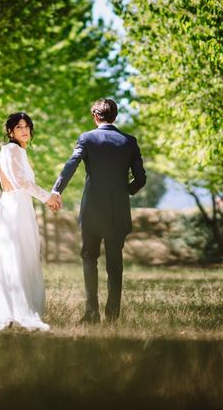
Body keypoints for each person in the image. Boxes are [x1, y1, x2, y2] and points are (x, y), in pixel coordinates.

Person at [51, 98, 146, 324]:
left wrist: (56, 190)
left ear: (95, 116)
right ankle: (112, 316)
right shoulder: (129, 141)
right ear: (115, 116)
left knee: (88, 258)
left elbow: (71, 165)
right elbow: (141, 178)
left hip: (92, 209)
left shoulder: (87, 138)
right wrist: (126, 191)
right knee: (115, 266)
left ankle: (91, 312)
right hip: (118, 211)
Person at [0, 112, 61, 331]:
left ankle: (4, 314)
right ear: (10, 131)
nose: (24, 130)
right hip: (18, 208)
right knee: (21, 258)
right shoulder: (14, 150)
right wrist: (49, 197)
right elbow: (22, 182)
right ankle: (22, 312)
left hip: (9, 208)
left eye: (27, 126)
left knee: (9, 259)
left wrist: (3, 204)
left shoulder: (5, 151)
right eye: (18, 127)